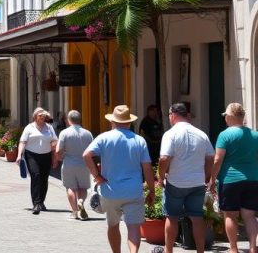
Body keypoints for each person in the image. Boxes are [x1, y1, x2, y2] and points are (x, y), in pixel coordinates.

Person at [84, 105, 156, 253]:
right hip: (133, 191)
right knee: (134, 226)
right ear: (129, 122)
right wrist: (151, 190)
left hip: (110, 191)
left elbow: (86, 155)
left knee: (113, 225)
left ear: (113, 122)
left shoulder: (104, 137)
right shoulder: (139, 140)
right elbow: (147, 167)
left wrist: (96, 176)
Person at [155, 102, 214, 253]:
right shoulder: (202, 134)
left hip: (176, 182)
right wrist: (207, 177)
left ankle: (169, 251)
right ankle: (200, 251)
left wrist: (161, 177)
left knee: (172, 217)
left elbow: (164, 158)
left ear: (173, 115)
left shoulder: (170, 134)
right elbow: (210, 158)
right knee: (197, 217)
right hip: (197, 182)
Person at [209, 102, 258, 253]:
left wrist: (212, 179)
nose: (225, 119)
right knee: (249, 215)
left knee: (230, 215)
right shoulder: (255, 135)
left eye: (225, 116)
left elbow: (218, 159)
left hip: (230, 180)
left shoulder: (225, 135)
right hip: (252, 179)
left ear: (230, 117)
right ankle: (252, 247)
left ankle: (234, 248)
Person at [18, 107, 58, 214]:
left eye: (44, 116)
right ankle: (36, 203)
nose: (42, 118)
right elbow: (23, 142)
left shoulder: (49, 128)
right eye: (40, 116)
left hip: (46, 155)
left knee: (44, 179)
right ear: (35, 117)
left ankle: (41, 201)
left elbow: (54, 143)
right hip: (32, 155)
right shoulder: (29, 128)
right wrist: (19, 155)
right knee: (36, 176)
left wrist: (55, 157)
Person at [56, 110, 94, 220]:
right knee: (83, 188)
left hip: (69, 163)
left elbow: (58, 150)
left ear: (69, 120)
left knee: (71, 188)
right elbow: (92, 150)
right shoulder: (88, 133)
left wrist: (59, 157)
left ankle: (74, 211)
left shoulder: (64, 133)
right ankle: (81, 201)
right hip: (84, 164)